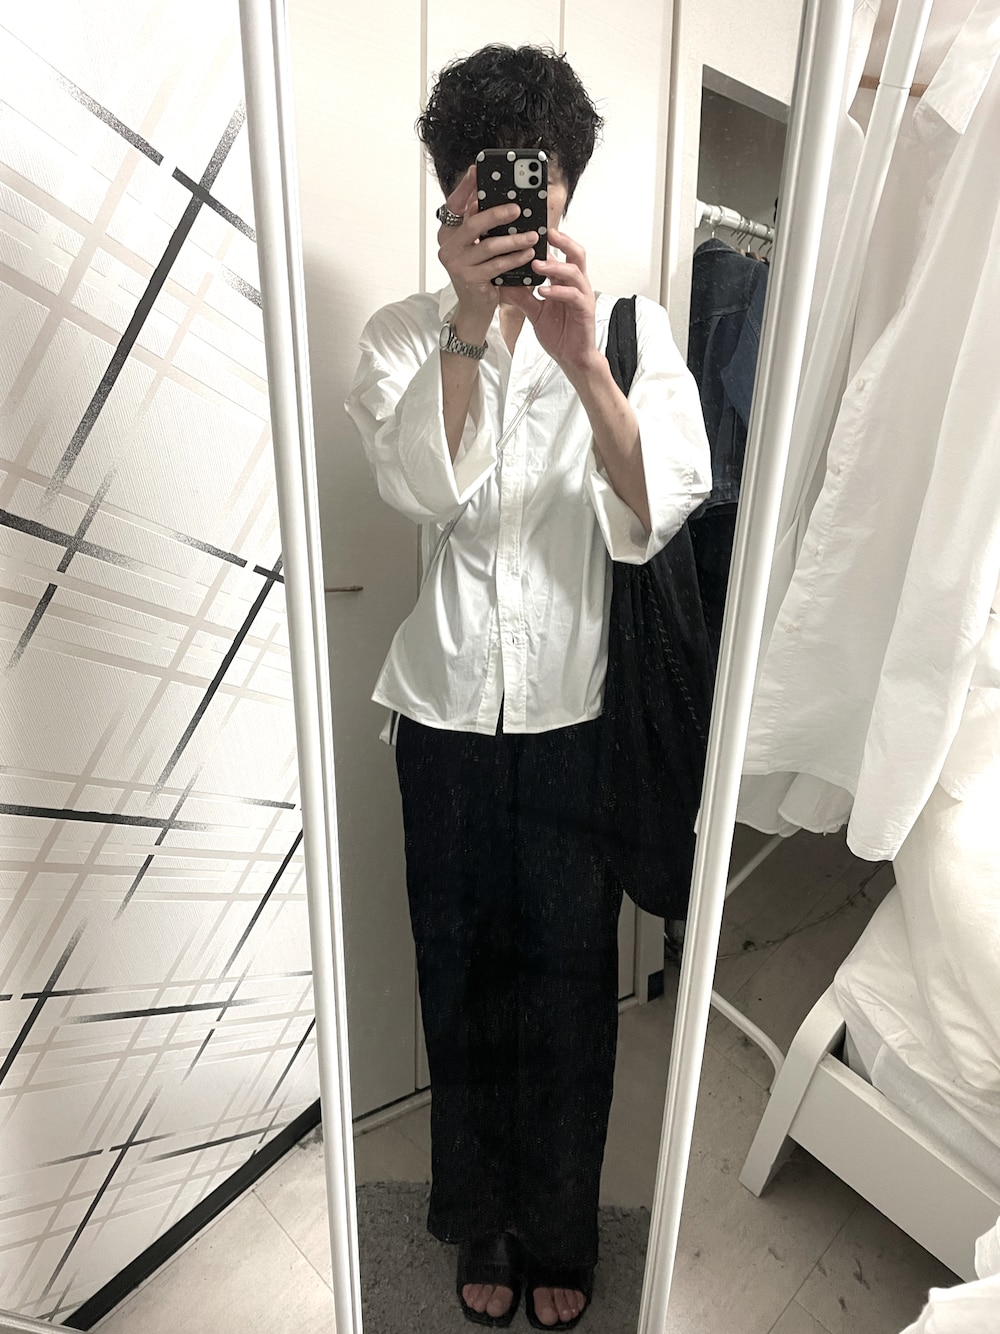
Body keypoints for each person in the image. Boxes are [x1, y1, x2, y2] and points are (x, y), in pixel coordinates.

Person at [345, 44, 710, 1330]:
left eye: (530, 181)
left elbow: (660, 507)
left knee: (565, 984)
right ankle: (481, 1219)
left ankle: (560, 1224)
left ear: (565, 190)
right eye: (481, 181)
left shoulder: (631, 329)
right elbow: (421, 492)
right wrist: (467, 328)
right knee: (458, 977)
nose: (506, 204)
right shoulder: (402, 334)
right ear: (451, 193)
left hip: (575, 717)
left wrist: (583, 363)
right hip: (442, 715)